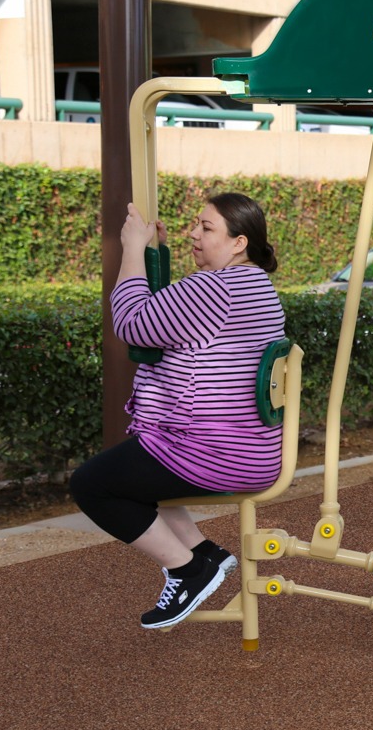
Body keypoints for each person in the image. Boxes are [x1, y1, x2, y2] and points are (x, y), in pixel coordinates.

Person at [70, 193, 285, 629]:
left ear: (238, 242)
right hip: (252, 449)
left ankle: (188, 570)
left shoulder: (214, 288)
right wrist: (158, 256)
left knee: (92, 484)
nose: (194, 234)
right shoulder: (256, 286)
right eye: (196, 225)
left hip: (215, 451)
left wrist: (131, 249)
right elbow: (171, 315)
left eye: (207, 228)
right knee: (139, 465)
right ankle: (205, 554)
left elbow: (133, 324)